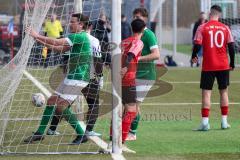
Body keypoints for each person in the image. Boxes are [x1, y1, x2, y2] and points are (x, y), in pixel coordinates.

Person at [24, 13, 92, 144]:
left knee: (61, 107)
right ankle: (39, 133)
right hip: (72, 75)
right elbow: (59, 48)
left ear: (81, 24)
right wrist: (38, 39)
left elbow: (57, 41)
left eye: (72, 22)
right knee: (51, 101)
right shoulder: (77, 37)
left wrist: (36, 34)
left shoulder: (79, 36)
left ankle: (82, 134)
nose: (69, 24)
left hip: (79, 77)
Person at [47, 21, 104, 137]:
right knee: (94, 104)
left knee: (64, 103)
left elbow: (66, 56)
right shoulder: (93, 40)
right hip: (88, 76)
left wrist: (66, 71)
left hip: (73, 75)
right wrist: (101, 77)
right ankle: (88, 130)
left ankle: (52, 128)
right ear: (91, 27)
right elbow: (98, 61)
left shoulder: (74, 37)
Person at [191, 5, 235, 131]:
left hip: (208, 66)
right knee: (224, 91)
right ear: (219, 15)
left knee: (206, 93)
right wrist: (232, 63)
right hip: (223, 65)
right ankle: (224, 122)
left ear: (210, 14)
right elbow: (231, 46)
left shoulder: (202, 27)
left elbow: (197, 44)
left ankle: (205, 123)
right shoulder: (225, 27)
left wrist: (194, 56)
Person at [126, 8, 160, 141]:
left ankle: (132, 133)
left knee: (133, 105)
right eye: (134, 16)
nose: (136, 19)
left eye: (138, 17)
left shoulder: (149, 35)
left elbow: (156, 55)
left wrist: (138, 58)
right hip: (134, 74)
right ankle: (127, 130)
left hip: (145, 75)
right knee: (128, 105)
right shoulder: (134, 33)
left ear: (145, 19)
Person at [109, 19, 145, 145]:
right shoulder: (138, 42)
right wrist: (125, 67)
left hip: (117, 78)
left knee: (119, 109)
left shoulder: (124, 41)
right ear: (143, 29)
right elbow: (131, 54)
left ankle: (112, 136)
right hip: (127, 79)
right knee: (131, 110)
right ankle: (121, 140)